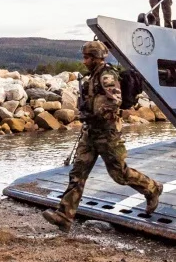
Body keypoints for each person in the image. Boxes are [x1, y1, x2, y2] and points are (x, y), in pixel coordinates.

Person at [42, 41, 162, 232]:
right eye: (84, 57)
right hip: (91, 132)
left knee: (120, 175)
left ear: (97, 57)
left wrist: (94, 114)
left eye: (88, 57)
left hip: (107, 133)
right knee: (78, 173)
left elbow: (115, 101)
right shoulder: (92, 76)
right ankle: (64, 216)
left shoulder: (107, 76)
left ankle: (152, 188)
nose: (84, 61)